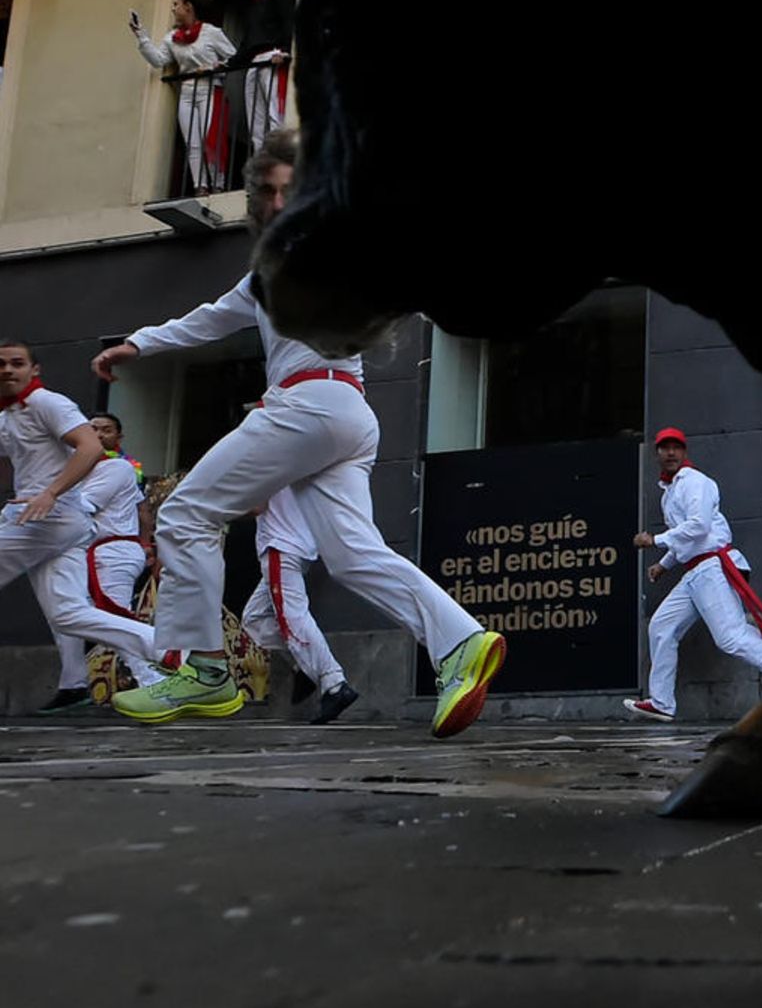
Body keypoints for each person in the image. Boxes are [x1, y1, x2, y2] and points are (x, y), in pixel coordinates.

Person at [91, 130, 506, 733]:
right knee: (352, 555)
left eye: (295, 189)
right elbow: (210, 318)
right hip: (347, 416)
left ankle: (204, 669)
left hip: (310, 404)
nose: (281, 202)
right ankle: (461, 642)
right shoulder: (271, 270)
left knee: (183, 514)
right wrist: (140, 343)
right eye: (270, 192)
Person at [0, 341, 167, 698]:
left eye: (17, 363)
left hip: (51, 519)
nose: (8, 370)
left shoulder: (49, 402)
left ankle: (149, 676)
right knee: (68, 614)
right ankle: (168, 652)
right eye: (2, 364)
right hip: (61, 525)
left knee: (93, 607)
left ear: (35, 369)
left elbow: (89, 447)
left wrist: (51, 492)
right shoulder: (9, 415)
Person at [624, 427, 762, 719]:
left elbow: (698, 527)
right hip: (695, 572)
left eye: (676, 447)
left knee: (731, 637)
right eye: (665, 447)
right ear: (657, 453)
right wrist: (664, 564)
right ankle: (662, 702)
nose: (670, 452)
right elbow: (687, 538)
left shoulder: (694, 481)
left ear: (684, 452)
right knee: (661, 627)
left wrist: (655, 540)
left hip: (712, 567)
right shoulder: (670, 493)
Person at [43, 410, 155, 714]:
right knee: (66, 614)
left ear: (117, 438)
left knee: (114, 618)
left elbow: (85, 507)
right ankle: (73, 685)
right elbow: (141, 509)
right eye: (91, 428)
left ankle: (153, 681)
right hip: (87, 551)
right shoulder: (81, 469)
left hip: (113, 552)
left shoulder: (117, 467)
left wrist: (44, 496)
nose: (98, 434)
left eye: (105, 430)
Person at [240, 475, 356, 724]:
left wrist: (214, 510)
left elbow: (256, 506)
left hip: (280, 544)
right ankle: (305, 666)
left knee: (292, 618)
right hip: (298, 543)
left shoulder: (269, 455)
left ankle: (334, 683)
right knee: (254, 618)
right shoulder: (299, 451)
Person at [130, 0, 235, 194]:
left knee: (209, 139)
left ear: (188, 7)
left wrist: (214, 67)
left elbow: (233, 56)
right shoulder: (173, 38)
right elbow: (159, 60)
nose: (173, 9)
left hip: (209, 89)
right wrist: (141, 36)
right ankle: (200, 185)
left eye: (175, 4)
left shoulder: (211, 33)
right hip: (187, 93)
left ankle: (217, 184)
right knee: (192, 142)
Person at [228, 0, 292, 149]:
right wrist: (230, 63)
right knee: (255, 123)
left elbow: (290, 23)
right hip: (254, 63)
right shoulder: (251, 4)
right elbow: (248, 40)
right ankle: (261, 172)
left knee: (275, 116)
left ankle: (278, 171)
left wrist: (286, 51)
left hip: (272, 57)